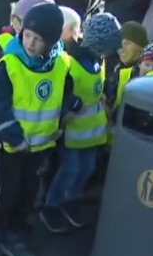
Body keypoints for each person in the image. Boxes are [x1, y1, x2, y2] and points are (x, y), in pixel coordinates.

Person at [0, 4, 81, 256]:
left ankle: (15, 234)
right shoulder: (10, 64)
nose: (31, 43)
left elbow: (64, 91)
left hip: (43, 144)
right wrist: (13, 137)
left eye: (39, 39)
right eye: (27, 35)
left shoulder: (61, 63)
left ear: (52, 41)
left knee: (28, 195)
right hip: (15, 146)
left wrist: (71, 105)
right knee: (9, 192)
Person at [40, 13, 121, 234]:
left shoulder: (98, 60)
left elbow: (100, 85)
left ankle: (72, 198)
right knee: (70, 168)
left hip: (92, 128)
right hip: (73, 127)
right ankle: (52, 204)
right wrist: (72, 103)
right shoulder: (70, 61)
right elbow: (61, 91)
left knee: (87, 167)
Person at [0, 0, 55, 74]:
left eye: (20, 20)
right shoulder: (2, 42)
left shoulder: (53, 51)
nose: (15, 23)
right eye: (13, 18)